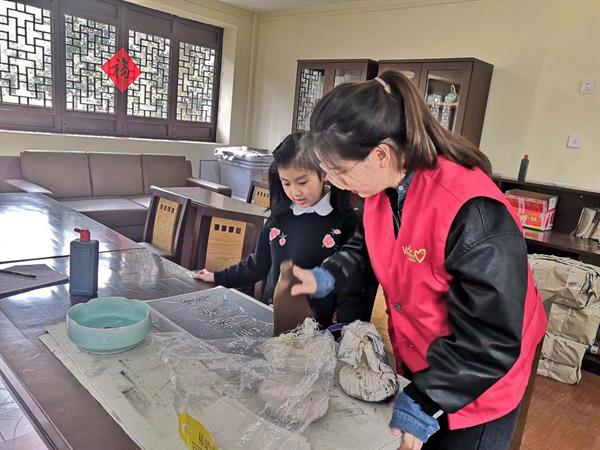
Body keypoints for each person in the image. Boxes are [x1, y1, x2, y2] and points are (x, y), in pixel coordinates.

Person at [290, 72, 547, 450]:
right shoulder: (383, 188)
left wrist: (427, 398)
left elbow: (491, 340)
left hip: (477, 378)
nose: (335, 182)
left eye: (340, 171)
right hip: (427, 357)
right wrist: (329, 275)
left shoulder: (471, 211)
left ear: (380, 154)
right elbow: (366, 248)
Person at [194, 132, 370, 327]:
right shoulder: (280, 216)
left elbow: (351, 283)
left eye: (302, 182)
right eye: (286, 183)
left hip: (318, 329)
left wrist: (344, 329)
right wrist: (217, 277)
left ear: (323, 173)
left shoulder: (345, 221)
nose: (295, 191)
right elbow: (257, 265)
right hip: (272, 319)